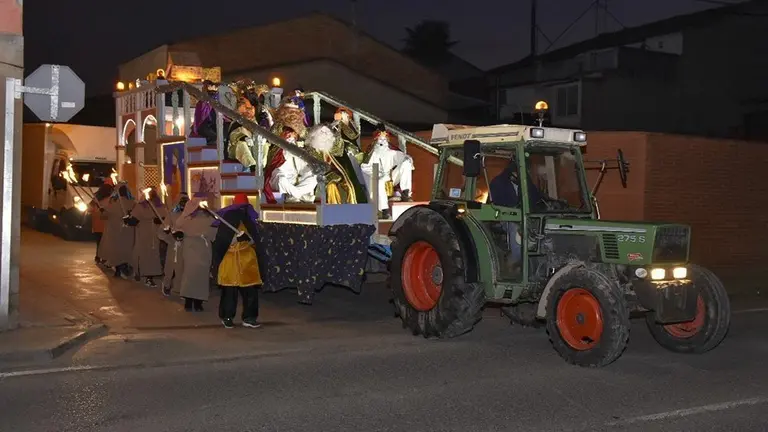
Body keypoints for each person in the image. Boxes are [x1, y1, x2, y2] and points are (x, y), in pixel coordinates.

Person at [212, 193, 262, 329]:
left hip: (247, 260)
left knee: (251, 290)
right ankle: (227, 317)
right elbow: (221, 242)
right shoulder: (228, 219)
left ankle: (249, 317)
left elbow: (255, 241)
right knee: (229, 291)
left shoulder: (249, 220)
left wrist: (247, 238)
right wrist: (235, 239)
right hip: (230, 259)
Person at [173, 194, 217, 312]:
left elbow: (215, 233)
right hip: (191, 249)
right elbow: (178, 225)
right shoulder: (187, 217)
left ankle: (198, 301)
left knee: (202, 276)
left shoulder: (210, 218)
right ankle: (188, 300)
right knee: (190, 274)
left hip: (204, 250)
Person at [361, 124, 414, 219]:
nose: (383, 141)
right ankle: (384, 210)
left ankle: (406, 193)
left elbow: (402, 157)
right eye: (380, 139)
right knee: (380, 182)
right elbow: (364, 167)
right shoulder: (371, 154)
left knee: (406, 163)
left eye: (384, 139)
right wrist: (379, 175)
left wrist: (407, 159)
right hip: (378, 178)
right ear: (376, 141)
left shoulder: (391, 152)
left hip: (390, 178)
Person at [263, 128, 318, 203]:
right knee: (281, 180)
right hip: (281, 176)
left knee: (314, 177)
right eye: (288, 136)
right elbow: (273, 165)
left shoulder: (301, 149)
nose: (290, 139)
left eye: (292, 137)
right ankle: (300, 194)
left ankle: (294, 195)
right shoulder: (277, 150)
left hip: (297, 179)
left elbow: (303, 166)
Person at [129, 187, 167, 287]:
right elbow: (135, 219)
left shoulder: (159, 206)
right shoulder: (143, 206)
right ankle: (140, 273)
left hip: (151, 235)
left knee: (148, 255)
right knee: (144, 254)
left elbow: (165, 218)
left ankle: (146, 276)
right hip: (146, 234)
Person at [329, 107, 368, 204]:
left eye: (344, 113)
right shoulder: (333, 126)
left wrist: (346, 121)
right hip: (338, 157)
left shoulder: (350, 125)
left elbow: (354, 135)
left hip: (351, 154)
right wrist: (337, 122)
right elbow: (333, 139)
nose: (342, 115)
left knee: (355, 178)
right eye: (341, 113)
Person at [100, 183, 135, 279]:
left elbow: (104, 216)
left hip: (116, 232)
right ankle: (125, 267)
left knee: (116, 251)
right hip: (128, 231)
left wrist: (102, 211)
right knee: (126, 250)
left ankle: (118, 270)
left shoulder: (114, 204)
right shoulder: (133, 203)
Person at [159, 193, 189, 297]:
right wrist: (169, 235)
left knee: (183, 268)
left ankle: (180, 289)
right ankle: (166, 284)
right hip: (173, 245)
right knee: (170, 267)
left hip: (185, 245)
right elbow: (162, 231)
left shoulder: (189, 216)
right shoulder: (172, 215)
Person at [226, 97, 259, 172]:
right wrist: (243, 137)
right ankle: (251, 165)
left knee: (264, 146)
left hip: (251, 147)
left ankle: (262, 166)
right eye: (246, 108)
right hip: (235, 149)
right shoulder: (236, 122)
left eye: (250, 108)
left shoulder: (254, 122)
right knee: (242, 144)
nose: (248, 111)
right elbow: (233, 136)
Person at [90, 181, 114, 265]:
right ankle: (103, 257)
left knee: (99, 241)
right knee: (104, 242)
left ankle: (98, 256)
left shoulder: (95, 199)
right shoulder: (110, 199)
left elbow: (89, 209)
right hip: (105, 223)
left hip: (97, 223)